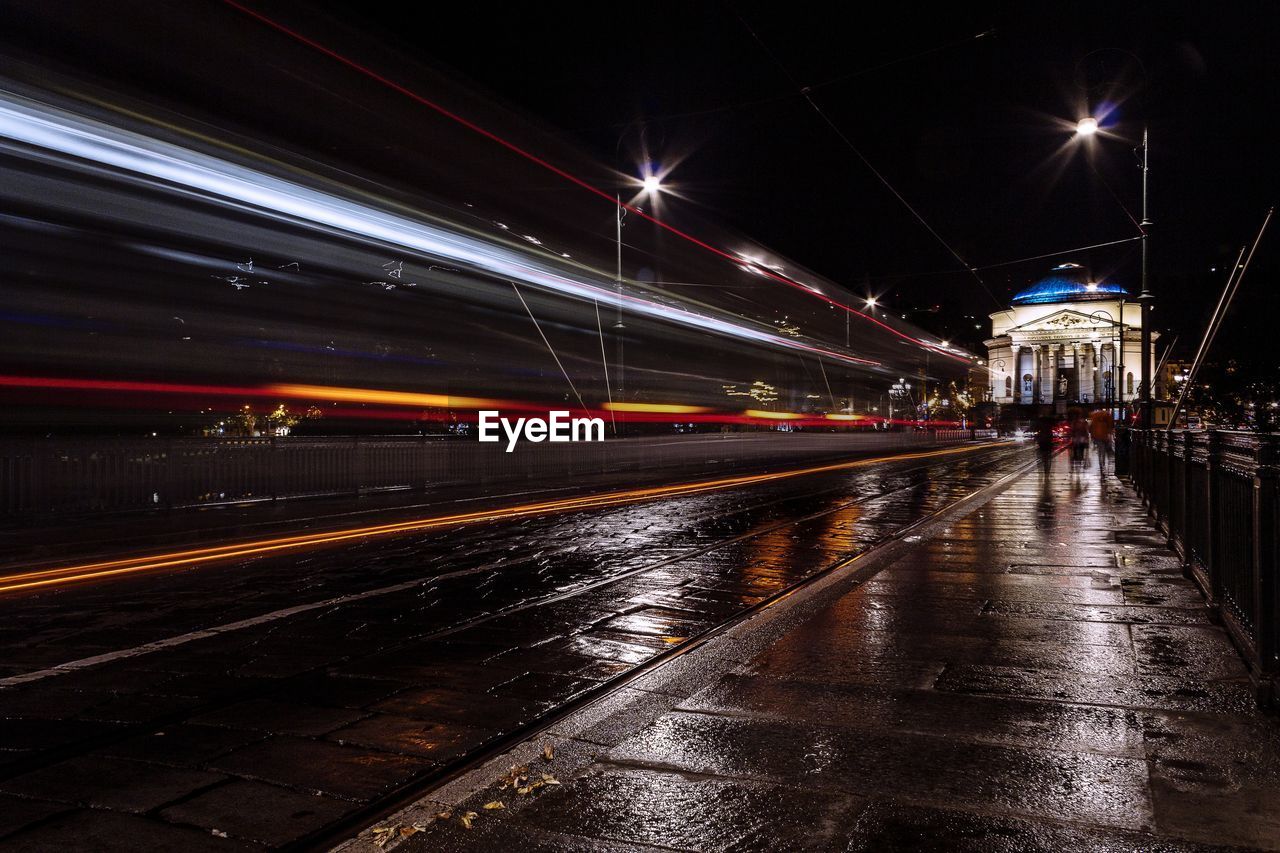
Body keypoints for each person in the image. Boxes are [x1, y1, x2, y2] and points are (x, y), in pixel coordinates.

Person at [1089, 408, 1114, 475]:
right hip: (1105, 438)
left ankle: (1101, 463)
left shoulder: (1095, 420)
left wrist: (1092, 437)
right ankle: (1103, 462)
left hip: (1097, 437)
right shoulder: (1106, 421)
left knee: (1101, 450)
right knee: (1104, 450)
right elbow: (1110, 428)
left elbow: (1091, 429)